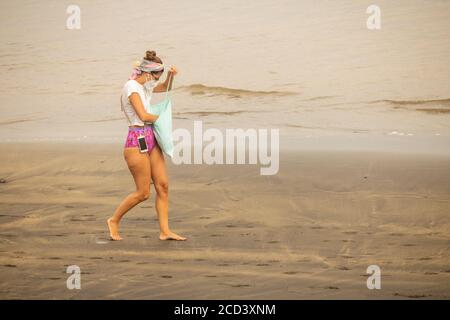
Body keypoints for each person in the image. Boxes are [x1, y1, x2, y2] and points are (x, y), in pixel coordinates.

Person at [107, 50, 187, 241]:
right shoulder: (131, 88)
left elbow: (166, 87)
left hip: (150, 138)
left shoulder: (145, 87)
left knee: (163, 186)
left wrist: (170, 76)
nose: (155, 82)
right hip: (136, 141)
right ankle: (114, 220)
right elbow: (143, 116)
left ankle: (165, 231)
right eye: (156, 77)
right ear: (148, 73)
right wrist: (163, 119)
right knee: (143, 193)